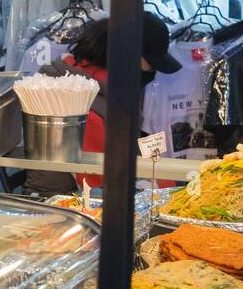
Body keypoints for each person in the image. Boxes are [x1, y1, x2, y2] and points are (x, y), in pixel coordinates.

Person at [24, 13, 182, 197]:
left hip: (90, 190)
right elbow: (95, 177)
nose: (152, 72)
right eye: (152, 64)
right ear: (128, 56)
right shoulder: (77, 97)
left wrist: (164, 174)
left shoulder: (91, 78)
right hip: (67, 201)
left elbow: (129, 148)